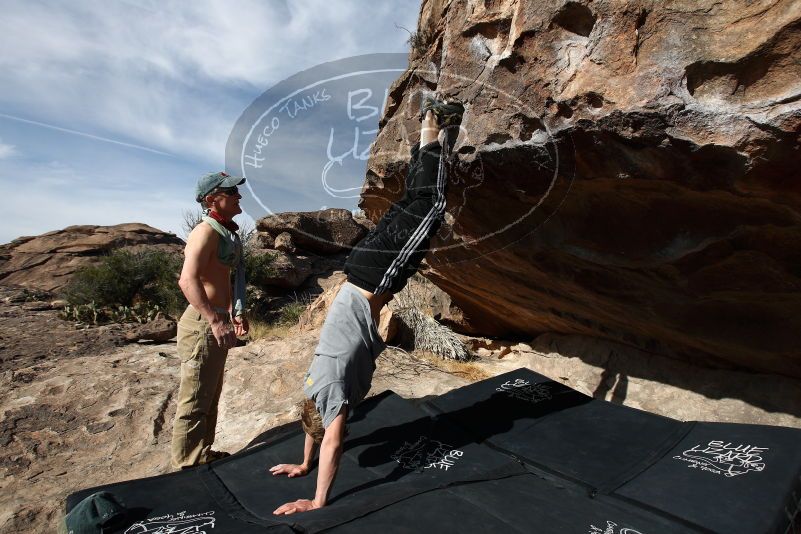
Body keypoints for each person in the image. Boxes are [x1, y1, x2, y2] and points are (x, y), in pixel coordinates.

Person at [269, 96, 465, 514]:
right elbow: (314, 425)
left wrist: (317, 499)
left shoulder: (334, 394)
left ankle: (435, 121)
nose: (335, 422)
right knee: (415, 201)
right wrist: (303, 463)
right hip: (357, 270)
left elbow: (333, 439)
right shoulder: (313, 390)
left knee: (430, 205)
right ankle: (433, 125)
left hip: (376, 276)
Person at [171, 171, 250, 470]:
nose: (238, 196)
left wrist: (235, 313)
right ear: (211, 199)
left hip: (217, 318)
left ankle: (202, 452)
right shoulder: (204, 232)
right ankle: (186, 465)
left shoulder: (224, 232)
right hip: (202, 323)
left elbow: (225, 279)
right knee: (193, 399)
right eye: (231, 192)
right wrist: (214, 320)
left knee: (210, 393)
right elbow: (187, 281)